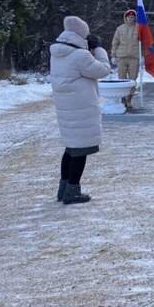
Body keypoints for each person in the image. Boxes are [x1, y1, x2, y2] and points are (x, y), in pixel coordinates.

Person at [50, 16, 111, 205]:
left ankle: (63, 188)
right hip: (82, 108)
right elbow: (103, 70)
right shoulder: (80, 56)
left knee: (70, 149)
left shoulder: (57, 52)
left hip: (67, 107)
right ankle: (72, 191)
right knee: (80, 151)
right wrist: (99, 50)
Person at [110, 9, 139, 111]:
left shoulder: (139, 28)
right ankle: (123, 100)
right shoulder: (120, 29)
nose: (131, 18)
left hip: (134, 57)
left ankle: (129, 100)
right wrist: (113, 55)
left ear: (135, 18)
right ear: (125, 18)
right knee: (121, 79)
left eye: (132, 17)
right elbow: (115, 42)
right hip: (121, 57)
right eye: (129, 17)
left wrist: (144, 56)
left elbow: (144, 44)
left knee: (132, 80)